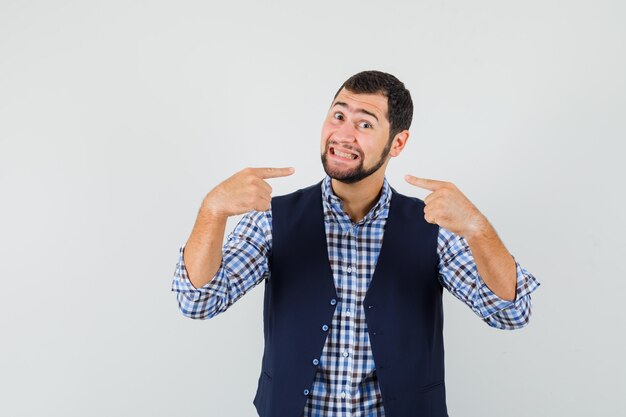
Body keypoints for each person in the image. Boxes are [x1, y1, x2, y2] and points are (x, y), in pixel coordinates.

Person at [171, 70, 540, 417]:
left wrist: (477, 228)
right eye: (338, 116)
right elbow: (197, 301)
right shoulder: (272, 218)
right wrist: (213, 210)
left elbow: (510, 313)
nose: (344, 134)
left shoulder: (434, 226)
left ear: (398, 142)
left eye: (365, 123)